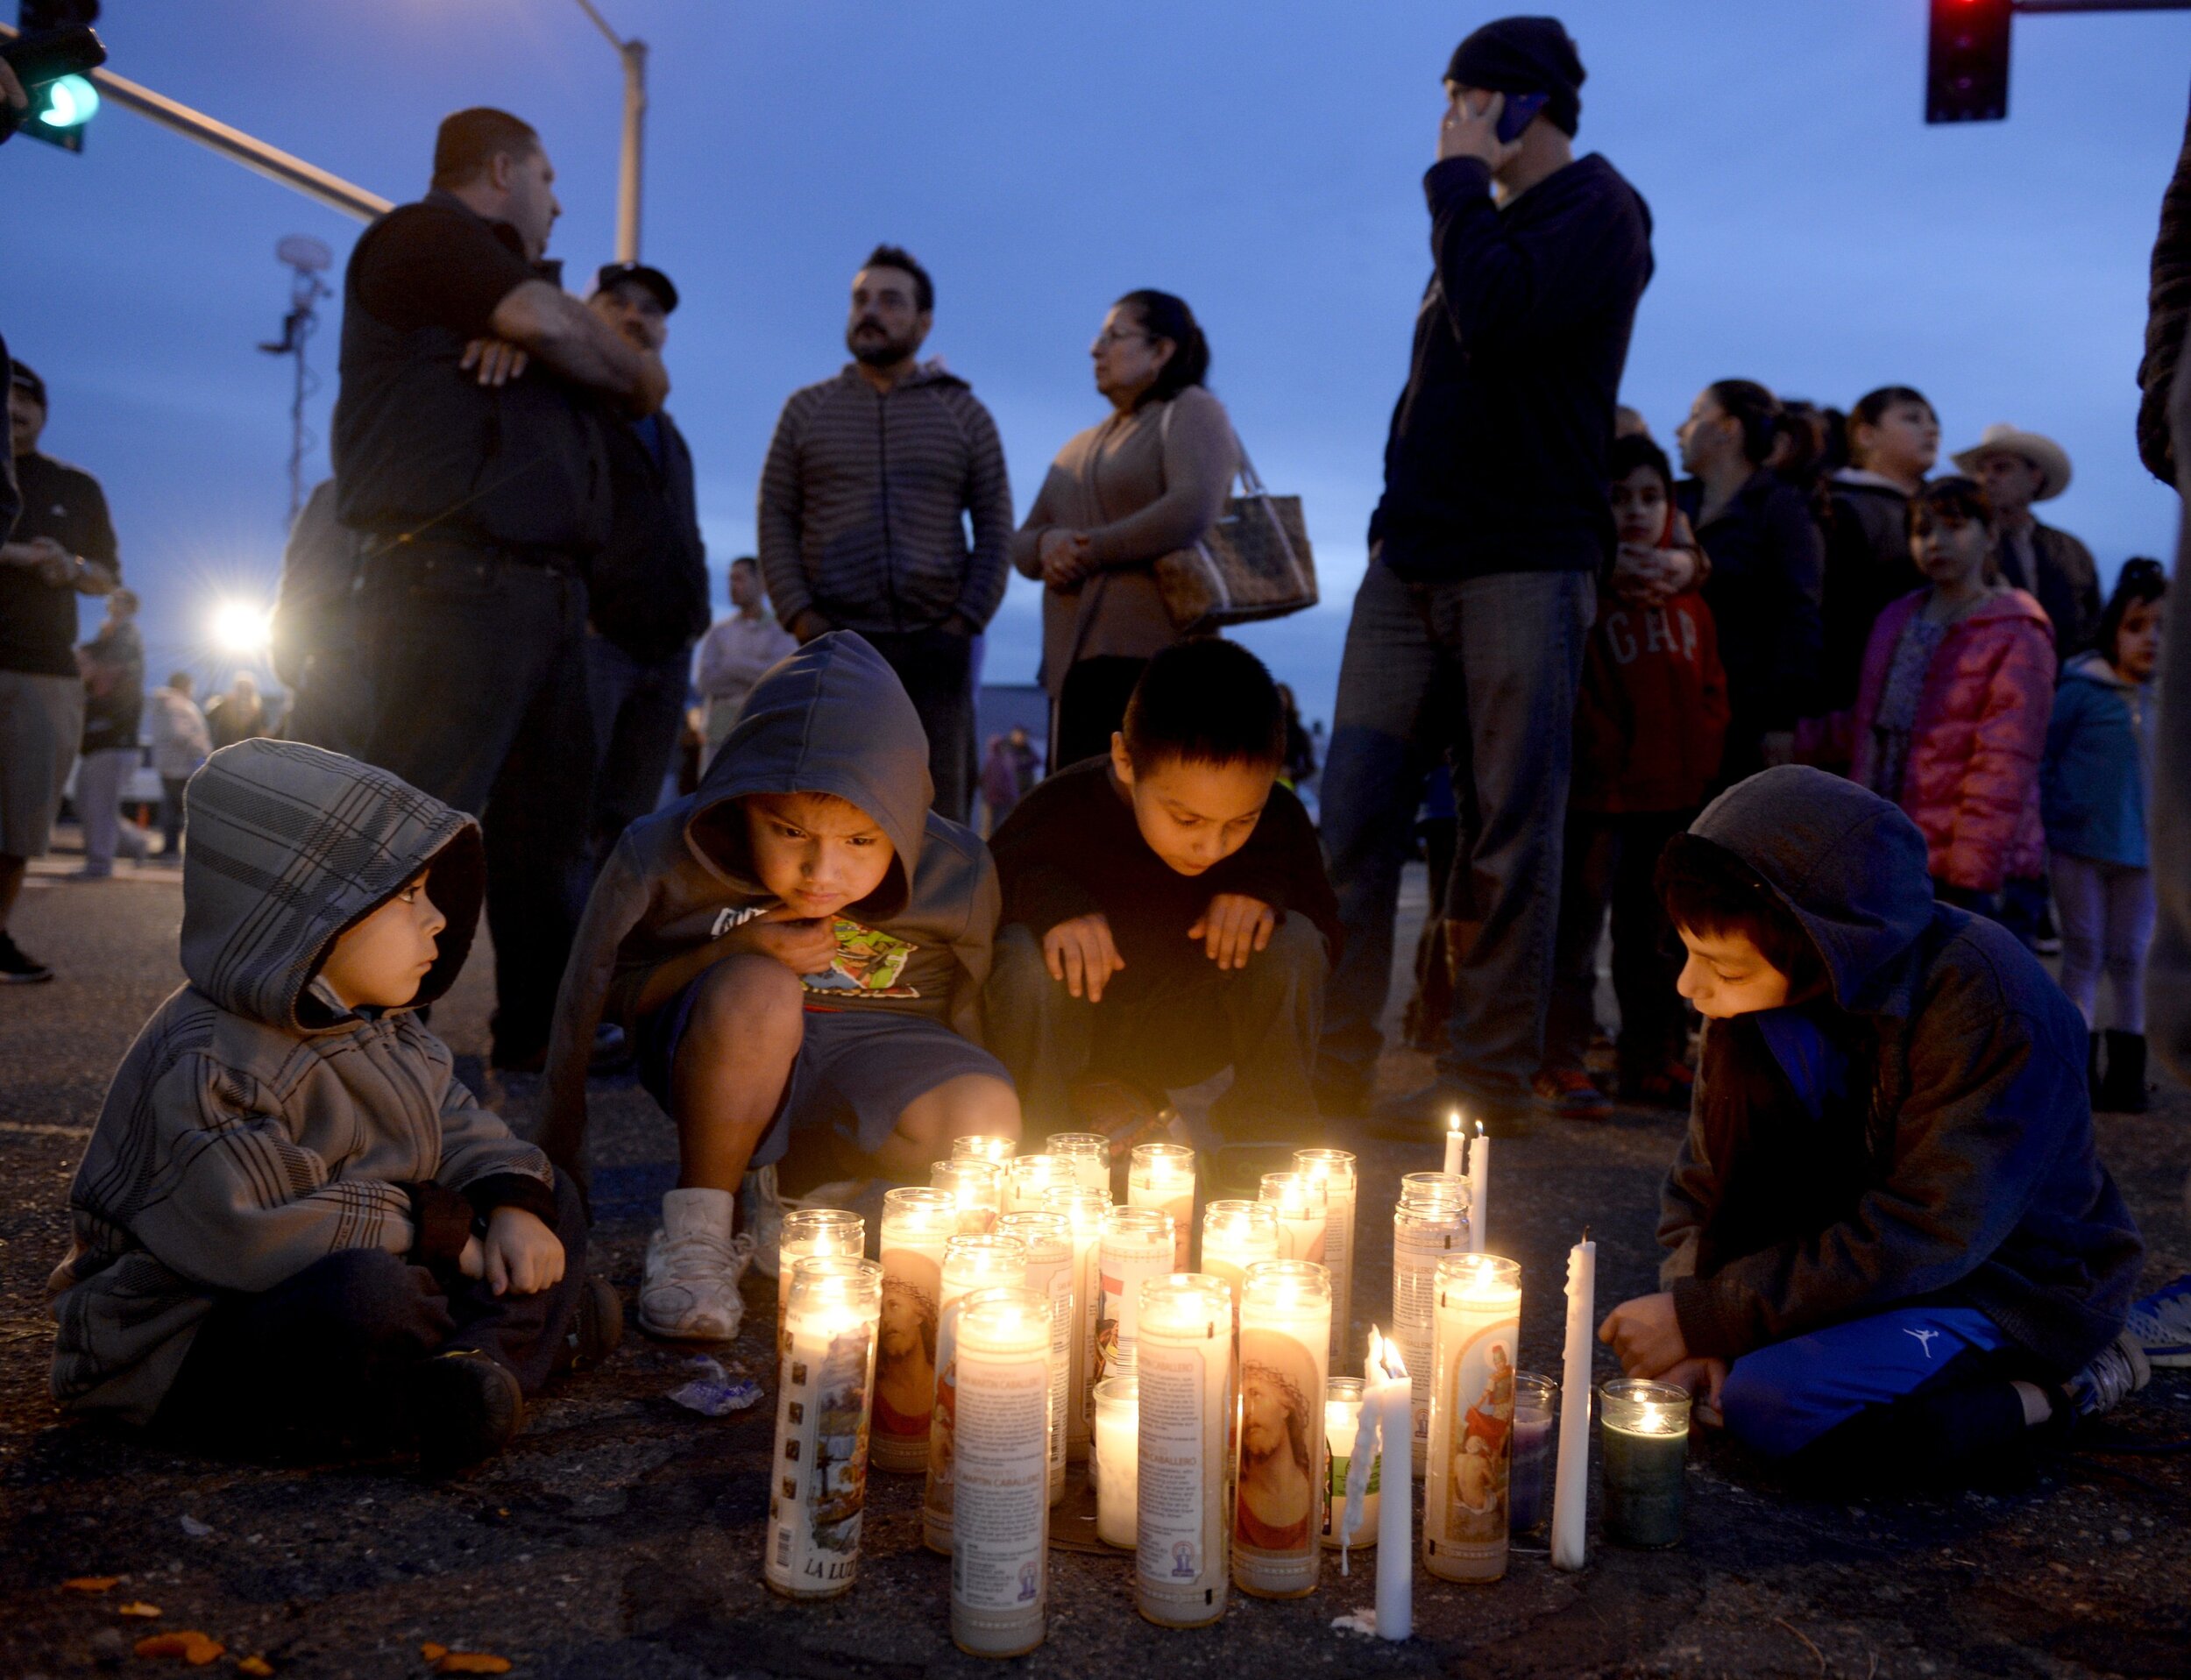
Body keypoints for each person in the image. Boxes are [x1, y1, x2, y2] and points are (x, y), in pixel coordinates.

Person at [47, 739, 616, 1473]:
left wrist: (509, 1205)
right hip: (192, 1332)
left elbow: (461, 1126)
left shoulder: (380, 1019)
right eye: (408, 897)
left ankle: (475, 1369)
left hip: (380, 1251)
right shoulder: (211, 1056)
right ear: (306, 916)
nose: (439, 918)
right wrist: (440, 1234)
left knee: (550, 1192)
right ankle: (516, 1352)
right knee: (369, 1295)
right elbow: (254, 1231)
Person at [1597, 768, 2145, 1488]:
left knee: (1773, 1405)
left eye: (1721, 966)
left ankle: (2063, 1390)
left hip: (2003, 1282)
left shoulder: (1986, 1001)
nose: (1689, 988)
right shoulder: (1757, 1012)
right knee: (1701, 1393)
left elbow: (1930, 1229)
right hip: (1848, 1270)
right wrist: (1695, 1310)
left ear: (1824, 944)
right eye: (1690, 954)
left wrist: (1711, 1318)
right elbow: (1702, 1182)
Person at [1315, 17, 1655, 1126]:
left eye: (1460, 98)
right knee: (1353, 817)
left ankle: (1489, 1077)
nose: (1446, 122)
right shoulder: (1484, 224)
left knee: (1510, 826)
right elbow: (1433, 394)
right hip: (1411, 557)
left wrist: (1455, 184)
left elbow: (1502, 319)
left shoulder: (1599, 208)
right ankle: (1320, 1067)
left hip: (1524, 558)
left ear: (1514, 102)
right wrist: (1384, 518)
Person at [538, 632, 1015, 1342]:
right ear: (744, 797)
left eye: (861, 841)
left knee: (985, 1108)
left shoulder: (954, 871)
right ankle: (703, 1225)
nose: (822, 872)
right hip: (731, 1043)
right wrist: (733, 948)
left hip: (878, 1047)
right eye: (789, 831)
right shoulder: (668, 853)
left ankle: (817, 1200)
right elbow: (597, 998)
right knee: (759, 990)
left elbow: (973, 1011)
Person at [331, 107, 667, 1073]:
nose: (559, 204)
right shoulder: (425, 235)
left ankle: (538, 1033)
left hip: (542, 597)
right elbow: (610, 361)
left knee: (544, 836)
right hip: (449, 583)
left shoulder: (496, 299)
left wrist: (554, 342)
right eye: (550, 181)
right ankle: (378, 1035)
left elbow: (631, 372)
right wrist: (554, 332)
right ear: (503, 167)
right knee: (422, 822)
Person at [985, 640, 1341, 1185]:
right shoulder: (1058, 809)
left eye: (1239, 823)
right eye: (1188, 820)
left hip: (1194, 1021)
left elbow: (1326, 931)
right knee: (1020, 956)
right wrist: (1054, 906)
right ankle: (1042, 1144)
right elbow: (990, 892)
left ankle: (1269, 1135)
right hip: (1085, 1026)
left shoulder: (1280, 816)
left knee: (1294, 942)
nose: (1211, 847)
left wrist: (1259, 886)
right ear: (1126, 760)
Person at [757, 245, 1013, 821]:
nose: (870, 311)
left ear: (924, 323)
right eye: (860, 299)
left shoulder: (964, 414)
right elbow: (775, 511)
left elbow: (996, 521)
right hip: (835, 642)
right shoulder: (807, 410)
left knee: (938, 812)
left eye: (890, 301)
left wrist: (964, 620)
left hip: (937, 645)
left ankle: (933, 915)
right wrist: (801, 615)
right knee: (830, 807)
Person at [1541, 436, 1727, 1119]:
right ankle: (1561, 1057)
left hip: (1669, 794)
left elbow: (1711, 686)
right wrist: (1600, 752)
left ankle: (1651, 1057)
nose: (1636, 511)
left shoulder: (1689, 602)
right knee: (1577, 931)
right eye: (1619, 498)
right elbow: (1577, 691)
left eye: (1650, 496)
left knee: (1656, 937)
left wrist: (1700, 757)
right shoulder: (1588, 594)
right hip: (1598, 795)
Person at [1011, 290, 1237, 770]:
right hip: (1072, 672)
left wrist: (1086, 550)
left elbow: (1190, 508)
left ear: (1162, 349)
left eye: (1115, 336)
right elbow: (1022, 542)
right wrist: (1049, 542)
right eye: (1098, 338)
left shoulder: (1192, 410)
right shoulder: (1076, 447)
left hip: (1162, 666)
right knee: (1081, 819)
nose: (1096, 349)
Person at [1849, 478, 2055, 915]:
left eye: (1955, 526)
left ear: (1991, 535)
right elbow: (1872, 718)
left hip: (1963, 856)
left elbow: (2005, 760)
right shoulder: (1898, 615)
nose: (1936, 542)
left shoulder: (2016, 628)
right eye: (1923, 530)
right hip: (1889, 831)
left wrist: (1971, 867)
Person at [581, 260, 711, 870]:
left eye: (651, 310)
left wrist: (695, 614)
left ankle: (605, 957)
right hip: (600, 647)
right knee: (573, 817)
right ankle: (562, 963)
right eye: (619, 302)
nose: (636, 316)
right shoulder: (571, 408)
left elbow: (684, 528)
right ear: (588, 312)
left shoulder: (670, 432)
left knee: (630, 827)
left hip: (667, 651)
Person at [1, 358, 117, 980]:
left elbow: (107, 577)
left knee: (23, 820)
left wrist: (69, 566)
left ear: (44, 413)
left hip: (47, 671)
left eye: (29, 401)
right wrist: (18, 554)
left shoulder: (77, 488)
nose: (16, 410)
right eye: (6, 398)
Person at [2043, 559, 2167, 1113]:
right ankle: (2077, 1075)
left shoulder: (2169, 700)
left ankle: (2126, 1078)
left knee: (2131, 956)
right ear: (2114, 628)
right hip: (2080, 846)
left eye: (2164, 627)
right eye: (2137, 626)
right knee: (2084, 952)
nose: (2151, 640)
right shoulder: (2082, 690)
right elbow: (2043, 757)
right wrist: (2057, 813)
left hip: (2142, 852)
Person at [1675, 380, 1825, 783]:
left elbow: (1799, 614)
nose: (1679, 431)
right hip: (1672, 708)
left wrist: (1781, 720)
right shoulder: (1673, 504)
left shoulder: (1779, 509)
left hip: (1742, 715)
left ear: (1728, 428)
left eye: (1693, 416)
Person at [1807, 386, 1939, 767]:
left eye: (1934, 423)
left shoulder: (1953, 513)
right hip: (1849, 702)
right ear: (1866, 434)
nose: (1931, 431)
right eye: (1912, 418)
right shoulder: (1835, 508)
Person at [1951, 424, 2102, 659]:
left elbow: (2094, 628)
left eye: (2002, 468)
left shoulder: (2072, 551)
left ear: (2034, 477)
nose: (1987, 478)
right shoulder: (1965, 548)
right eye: (1981, 470)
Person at [271, 478, 370, 759]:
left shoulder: (332, 492)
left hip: (330, 664)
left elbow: (300, 581)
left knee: (311, 788)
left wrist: (290, 666)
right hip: (392, 665)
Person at [71, 586, 150, 878]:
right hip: (100, 741)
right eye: (112, 601)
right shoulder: (110, 635)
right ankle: (136, 843)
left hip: (116, 739)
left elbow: (113, 669)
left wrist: (94, 662)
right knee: (86, 802)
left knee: (98, 805)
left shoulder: (125, 636)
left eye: (121, 602)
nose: (114, 606)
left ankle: (100, 864)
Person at [694, 556, 797, 758]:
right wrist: (756, 676)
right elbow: (705, 681)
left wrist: (731, 665)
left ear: (760, 583)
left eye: (739, 579)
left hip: (761, 734)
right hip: (718, 736)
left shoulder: (781, 632)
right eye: (730, 579)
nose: (732, 585)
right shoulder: (719, 632)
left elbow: (781, 677)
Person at [146, 671, 210, 860]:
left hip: (169, 763)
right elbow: (180, 734)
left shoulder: (164, 703)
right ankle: (179, 849)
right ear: (185, 685)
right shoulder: (177, 705)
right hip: (181, 765)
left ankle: (171, 847)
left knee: (171, 808)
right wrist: (201, 750)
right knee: (184, 810)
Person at [979, 725, 1039, 829]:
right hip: (1004, 796)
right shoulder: (1005, 750)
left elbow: (1036, 760)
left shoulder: (1026, 748)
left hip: (1020, 793)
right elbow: (1012, 765)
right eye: (1020, 735)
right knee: (995, 825)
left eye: (1024, 735)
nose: (1022, 738)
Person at [204, 671, 269, 750]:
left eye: (247, 690)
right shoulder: (224, 707)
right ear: (236, 691)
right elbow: (207, 722)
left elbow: (264, 737)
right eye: (241, 689)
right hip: (225, 755)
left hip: (248, 756)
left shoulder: (258, 713)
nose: (244, 694)